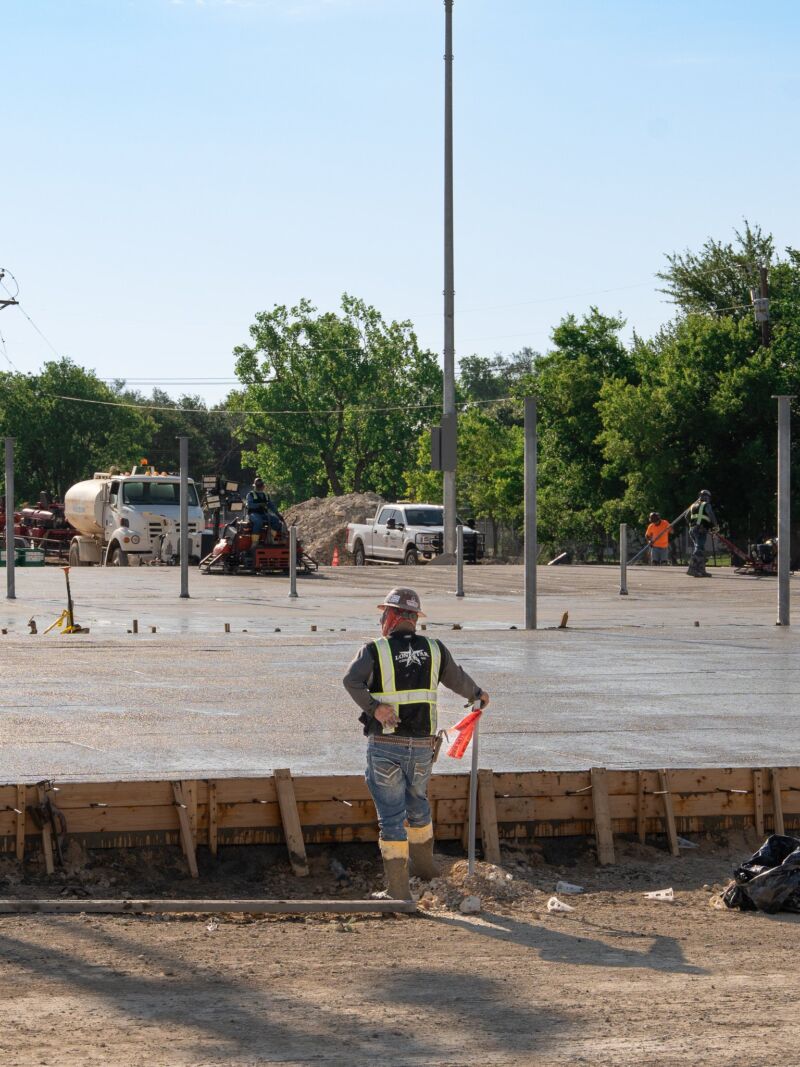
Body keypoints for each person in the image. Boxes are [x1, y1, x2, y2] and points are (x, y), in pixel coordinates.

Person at [343, 587, 490, 899]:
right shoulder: (435, 649)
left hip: (386, 744)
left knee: (392, 817)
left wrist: (374, 708)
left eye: (385, 613)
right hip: (423, 746)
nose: (382, 618)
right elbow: (459, 680)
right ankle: (425, 872)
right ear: (414, 618)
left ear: (394, 616)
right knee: (419, 804)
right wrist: (478, 694)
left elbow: (350, 681)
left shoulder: (375, 649)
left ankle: (398, 891)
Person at [686, 489, 718, 577]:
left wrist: (692, 524)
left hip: (692, 529)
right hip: (700, 529)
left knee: (701, 549)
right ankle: (692, 569)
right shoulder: (706, 505)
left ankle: (701, 570)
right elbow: (711, 514)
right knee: (699, 549)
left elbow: (686, 516)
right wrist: (715, 526)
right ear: (707, 497)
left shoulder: (693, 505)